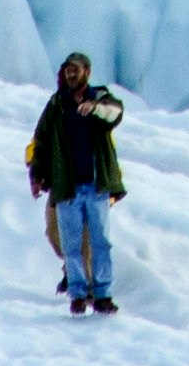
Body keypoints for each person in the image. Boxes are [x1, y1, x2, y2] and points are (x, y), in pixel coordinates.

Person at [27, 52, 126, 316]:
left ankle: (102, 293)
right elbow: (42, 141)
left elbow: (114, 113)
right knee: (71, 244)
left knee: (101, 241)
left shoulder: (100, 98)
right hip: (67, 188)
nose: (71, 74)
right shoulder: (57, 105)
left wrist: (94, 107)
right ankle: (78, 294)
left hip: (96, 187)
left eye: (76, 69)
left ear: (87, 72)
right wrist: (37, 174)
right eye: (68, 70)